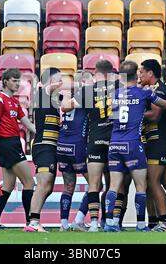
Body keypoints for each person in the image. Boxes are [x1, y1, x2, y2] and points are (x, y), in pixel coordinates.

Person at [103, 61, 166, 232]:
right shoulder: (144, 93)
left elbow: (114, 115)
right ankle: (141, 224)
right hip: (133, 143)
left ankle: (110, 223)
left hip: (115, 143)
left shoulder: (115, 94)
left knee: (114, 185)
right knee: (141, 185)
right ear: (136, 75)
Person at [62, 60, 122, 232]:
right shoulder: (119, 86)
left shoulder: (87, 91)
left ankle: (94, 224)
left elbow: (65, 107)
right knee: (113, 185)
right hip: (114, 140)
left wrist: (69, 92)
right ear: (111, 72)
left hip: (95, 140)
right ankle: (110, 222)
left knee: (94, 184)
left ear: (96, 71)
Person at [0, 68, 37, 230]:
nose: (17, 84)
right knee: (28, 182)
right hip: (8, 144)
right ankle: (30, 222)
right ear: (5, 81)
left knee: (8, 186)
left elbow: (27, 124)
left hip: (12, 144)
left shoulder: (14, 101)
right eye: (14, 81)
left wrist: (45, 133)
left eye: (18, 81)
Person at [24, 67, 63, 232]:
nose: (61, 83)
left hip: (52, 147)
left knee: (48, 186)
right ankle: (33, 222)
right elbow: (48, 88)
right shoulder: (42, 94)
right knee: (43, 183)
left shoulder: (54, 100)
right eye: (58, 79)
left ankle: (34, 220)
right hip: (43, 145)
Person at [138, 59, 166, 231]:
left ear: (150, 73)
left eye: (142, 73)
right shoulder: (149, 89)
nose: (139, 76)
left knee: (152, 183)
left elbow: (154, 115)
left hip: (158, 140)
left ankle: (164, 221)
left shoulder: (160, 89)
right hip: (157, 141)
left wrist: (134, 112)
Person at [57, 72, 89, 231]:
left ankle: (63, 224)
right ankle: (79, 220)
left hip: (62, 144)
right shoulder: (85, 96)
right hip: (77, 145)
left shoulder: (67, 96)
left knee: (68, 186)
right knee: (96, 184)